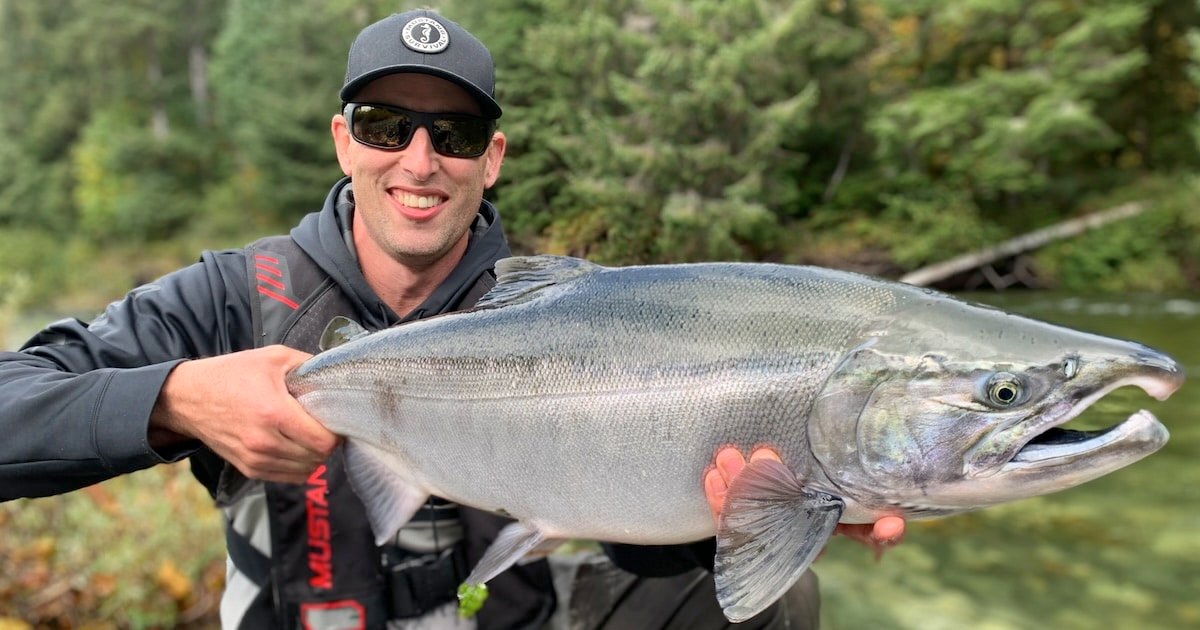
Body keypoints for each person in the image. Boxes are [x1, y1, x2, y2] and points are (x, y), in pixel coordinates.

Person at [0, 9, 902, 629]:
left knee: (769, 601)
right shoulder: (230, 299)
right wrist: (175, 398)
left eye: (456, 134)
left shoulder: (568, 315)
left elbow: (650, 553)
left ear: (493, 159)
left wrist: (757, 515)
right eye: (387, 124)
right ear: (344, 139)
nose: (420, 161)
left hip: (503, 612)